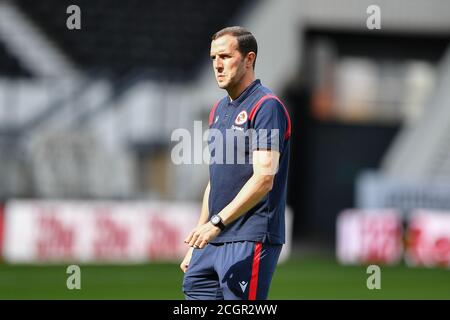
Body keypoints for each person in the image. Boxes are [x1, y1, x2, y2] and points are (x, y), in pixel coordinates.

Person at [180, 26, 291, 300]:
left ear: (248, 59)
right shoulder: (218, 110)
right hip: (213, 240)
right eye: (213, 58)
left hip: (249, 237)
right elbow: (215, 180)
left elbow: (264, 179)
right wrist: (199, 235)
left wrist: (216, 223)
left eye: (225, 56)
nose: (217, 65)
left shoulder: (266, 106)